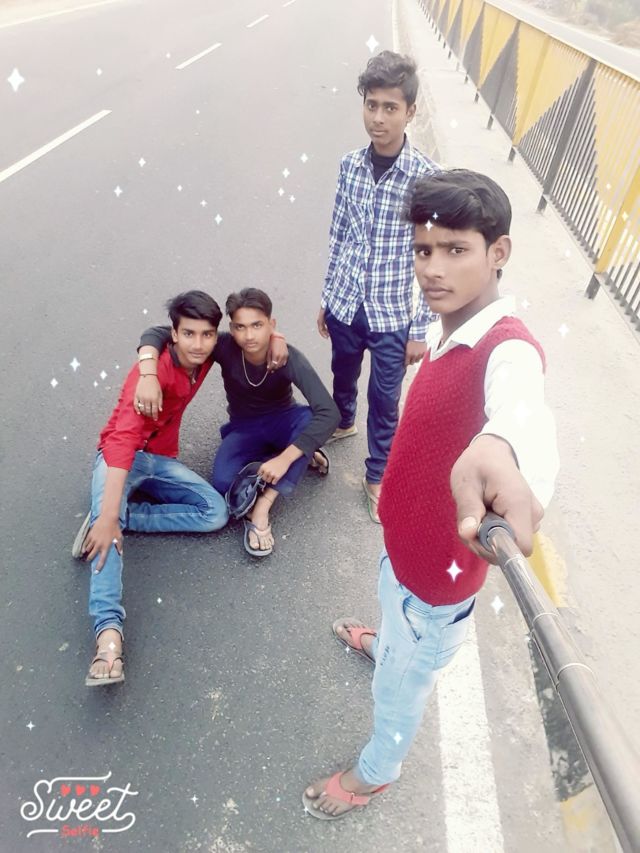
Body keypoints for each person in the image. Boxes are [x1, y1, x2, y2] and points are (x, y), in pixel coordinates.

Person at [303, 169, 559, 819]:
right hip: (406, 558)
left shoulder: (508, 349)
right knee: (397, 633)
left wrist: (503, 447)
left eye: (455, 249)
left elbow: (522, 412)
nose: (433, 269)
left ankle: (375, 773)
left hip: (434, 589)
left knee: (400, 691)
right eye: (423, 250)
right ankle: (387, 646)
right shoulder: (453, 324)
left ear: (498, 253)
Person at [72, 291, 231, 687]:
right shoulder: (151, 374)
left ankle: (119, 516)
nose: (198, 344)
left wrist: (275, 340)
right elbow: (122, 442)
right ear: (174, 335)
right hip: (117, 459)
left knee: (215, 513)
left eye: (207, 335)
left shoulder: (207, 354)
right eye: (188, 334)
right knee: (108, 535)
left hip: (157, 459)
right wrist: (109, 517)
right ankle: (108, 634)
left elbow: (247, 338)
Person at [317, 50, 438, 523]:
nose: (379, 118)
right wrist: (327, 298)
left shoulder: (425, 178)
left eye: (391, 107)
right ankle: (343, 420)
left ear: (411, 111)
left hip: (392, 314)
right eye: (372, 105)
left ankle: (377, 475)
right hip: (347, 304)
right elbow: (339, 235)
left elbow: (430, 258)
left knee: (386, 400)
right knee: (342, 371)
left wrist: (420, 329)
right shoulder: (349, 166)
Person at [135, 288, 340, 557]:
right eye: (240, 327)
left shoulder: (288, 357)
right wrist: (148, 374)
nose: (249, 336)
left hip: (284, 418)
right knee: (224, 485)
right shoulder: (224, 346)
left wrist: (285, 459)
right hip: (244, 427)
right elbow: (156, 333)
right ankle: (303, 451)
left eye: (257, 325)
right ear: (231, 328)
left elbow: (329, 413)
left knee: (308, 423)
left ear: (271, 324)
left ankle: (263, 507)